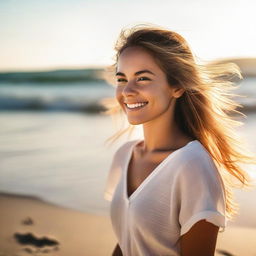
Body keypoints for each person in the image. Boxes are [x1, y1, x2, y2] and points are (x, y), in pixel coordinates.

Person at [103, 24, 255, 256]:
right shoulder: (124, 155)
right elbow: (126, 241)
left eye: (142, 78)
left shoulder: (193, 165)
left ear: (177, 87)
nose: (127, 91)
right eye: (122, 79)